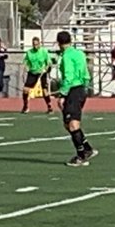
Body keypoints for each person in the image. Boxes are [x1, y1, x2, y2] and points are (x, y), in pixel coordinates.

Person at [56, 30, 95, 166]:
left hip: (72, 89)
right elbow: (86, 72)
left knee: (72, 125)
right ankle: (87, 148)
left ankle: (81, 155)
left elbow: (69, 76)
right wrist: (85, 86)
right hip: (80, 89)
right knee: (68, 124)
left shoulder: (66, 56)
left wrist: (62, 94)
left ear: (59, 43)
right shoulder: (79, 53)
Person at [20, 36, 54, 114]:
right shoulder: (29, 52)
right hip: (32, 73)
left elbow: (49, 62)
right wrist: (23, 71)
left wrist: (46, 68)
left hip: (42, 73)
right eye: (34, 44)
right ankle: (25, 106)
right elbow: (25, 63)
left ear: (39, 44)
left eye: (37, 44)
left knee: (45, 90)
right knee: (25, 90)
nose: (35, 46)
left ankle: (49, 106)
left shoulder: (44, 52)